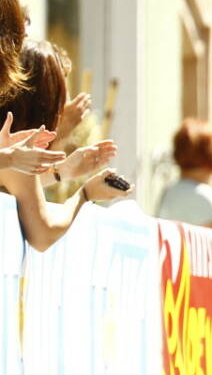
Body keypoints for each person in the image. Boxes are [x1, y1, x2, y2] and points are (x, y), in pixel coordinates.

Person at [0, 40, 128, 250]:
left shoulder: (8, 145)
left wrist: (62, 171)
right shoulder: (15, 147)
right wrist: (85, 195)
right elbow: (43, 235)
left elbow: (13, 183)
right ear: (45, 102)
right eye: (60, 99)